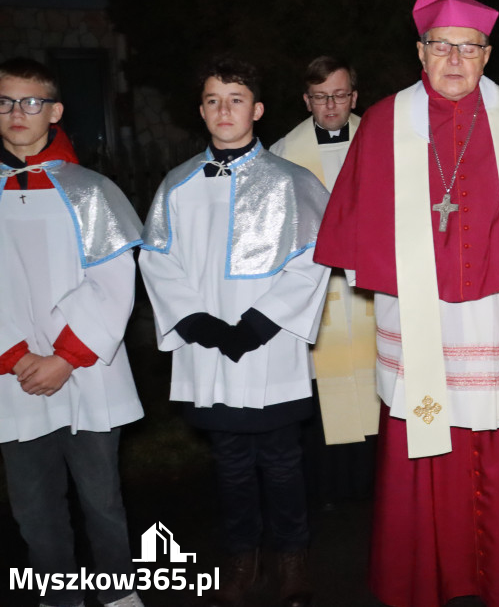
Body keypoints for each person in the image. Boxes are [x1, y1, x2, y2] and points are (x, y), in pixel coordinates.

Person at [313, 0, 499, 607]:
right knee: (422, 429)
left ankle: (496, 572)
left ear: (488, 55)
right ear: (420, 51)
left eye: (469, 48)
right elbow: (354, 229)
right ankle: (422, 574)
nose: (454, 61)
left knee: (494, 434)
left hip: (498, 314)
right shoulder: (387, 122)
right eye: (441, 46)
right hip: (417, 317)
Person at [139, 56, 330, 607]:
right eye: (214, 100)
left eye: (237, 99)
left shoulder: (294, 182)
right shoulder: (177, 185)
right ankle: (242, 558)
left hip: (271, 346)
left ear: (259, 109)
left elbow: (314, 258)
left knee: (282, 460)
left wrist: (259, 323)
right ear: (201, 111)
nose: (225, 110)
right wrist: (196, 321)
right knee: (230, 462)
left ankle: (293, 560)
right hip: (209, 350)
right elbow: (156, 259)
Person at [0, 58, 145, 607]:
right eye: (6, 102)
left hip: (85, 369)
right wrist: (14, 356)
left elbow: (113, 280)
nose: (18, 113)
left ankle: (116, 596)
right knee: (33, 505)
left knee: (101, 498)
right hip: (13, 375)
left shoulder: (91, 190)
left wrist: (63, 357)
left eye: (31, 102)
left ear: (54, 112)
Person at [271, 56, 378, 504]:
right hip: (316, 294)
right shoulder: (283, 154)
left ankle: (379, 485)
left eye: (338, 95)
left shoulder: (382, 140)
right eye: (320, 97)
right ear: (306, 99)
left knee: (377, 382)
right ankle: (329, 491)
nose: (330, 105)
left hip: (374, 288)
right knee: (323, 392)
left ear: (353, 96)